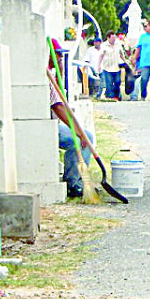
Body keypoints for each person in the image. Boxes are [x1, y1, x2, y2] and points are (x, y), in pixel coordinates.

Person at [49, 47, 95, 198]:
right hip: (47, 128)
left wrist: (81, 131)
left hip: (53, 125)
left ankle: (80, 179)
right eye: (57, 56)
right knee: (77, 140)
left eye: (62, 57)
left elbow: (63, 106)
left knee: (87, 136)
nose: (60, 59)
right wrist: (77, 132)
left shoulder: (54, 76)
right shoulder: (46, 78)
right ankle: (73, 184)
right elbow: (58, 108)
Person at [99, 30, 123, 100]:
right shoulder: (104, 45)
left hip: (116, 67)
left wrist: (125, 62)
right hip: (107, 68)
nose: (114, 40)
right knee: (109, 83)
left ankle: (117, 96)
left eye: (114, 38)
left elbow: (121, 54)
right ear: (108, 38)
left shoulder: (118, 44)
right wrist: (99, 65)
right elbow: (101, 55)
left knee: (117, 82)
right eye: (112, 38)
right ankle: (110, 97)